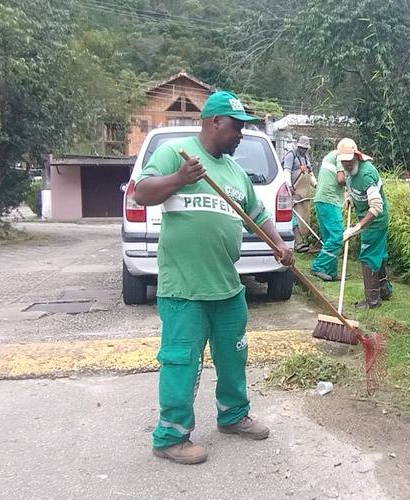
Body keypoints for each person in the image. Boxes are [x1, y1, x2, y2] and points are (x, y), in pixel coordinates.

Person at [133, 90, 294, 465]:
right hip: (185, 287)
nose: (240, 134)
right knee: (181, 360)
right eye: (236, 127)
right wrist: (178, 177)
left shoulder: (235, 172)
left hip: (227, 284)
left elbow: (256, 212)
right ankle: (170, 437)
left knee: (234, 356)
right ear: (214, 121)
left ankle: (233, 416)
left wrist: (277, 244)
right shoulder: (177, 154)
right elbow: (142, 193)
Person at [339, 138, 393, 308]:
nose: (347, 165)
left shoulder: (367, 174)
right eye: (343, 161)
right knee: (378, 254)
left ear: (357, 156)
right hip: (366, 219)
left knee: (368, 256)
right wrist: (349, 198)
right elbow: (350, 186)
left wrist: (357, 228)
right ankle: (384, 290)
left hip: (375, 221)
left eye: (349, 161)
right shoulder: (350, 172)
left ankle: (373, 300)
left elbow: (376, 206)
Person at [309, 143, 347, 281]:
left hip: (321, 199)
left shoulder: (329, 156)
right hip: (330, 200)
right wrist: (352, 183)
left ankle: (330, 271)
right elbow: (341, 179)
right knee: (337, 236)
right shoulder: (340, 157)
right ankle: (318, 266)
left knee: (329, 238)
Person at [282, 136, 316, 252]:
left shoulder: (306, 157)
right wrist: (289, 186)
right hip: (293, 191)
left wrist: (316, 185)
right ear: (298, 146)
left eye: (306, 148)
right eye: (302, 148)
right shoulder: (291, 155)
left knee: (304, 216)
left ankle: (304, 241)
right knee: (294, 216)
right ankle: (297, 242)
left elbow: (310, 174)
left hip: (304, 194)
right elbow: (286, 171)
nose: (304, 150)